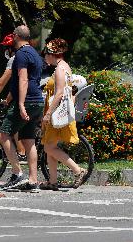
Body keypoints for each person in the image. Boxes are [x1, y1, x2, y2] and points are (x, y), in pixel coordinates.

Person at [0, 25, 45, 192]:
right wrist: (8, 99)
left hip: (27, 101)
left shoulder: (21, 55)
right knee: (29, 140)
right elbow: (21, 82)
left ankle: (18, 174)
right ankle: (33, 181)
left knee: (3, 134)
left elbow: (23, 80)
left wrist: (20, 104)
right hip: (38, 101)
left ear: (16, 36)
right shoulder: (36, 54)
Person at [39, 38, 87, 190]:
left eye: (45, 54)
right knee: (49, 146)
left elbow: (59, 93)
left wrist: (47, 114)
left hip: (55, 113)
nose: (44, 57)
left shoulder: (60, 69)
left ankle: (77, 170)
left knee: (48, 148)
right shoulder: (64, 67)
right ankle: (52, 181)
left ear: (52, 54)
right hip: (59, 112)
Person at [0, 33, 26, 163]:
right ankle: (23, 152)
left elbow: (2, 82)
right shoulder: (26, 55)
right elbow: (17, 85)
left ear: (11, 48)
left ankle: (21, 153)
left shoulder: (14, 59)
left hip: (27, 98)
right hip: (34, 95)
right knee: (18, 125)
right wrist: (7, 100)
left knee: (9, 127)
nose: (5, 51)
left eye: (6, 48)